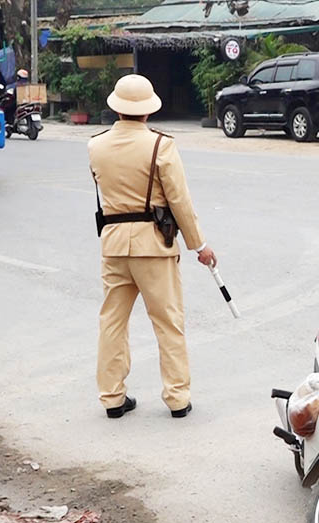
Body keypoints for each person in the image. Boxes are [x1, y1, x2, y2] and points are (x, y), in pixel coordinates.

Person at [88, 74, 216, 419]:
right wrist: (198, 245)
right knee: (167, 321)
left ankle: (112, 397)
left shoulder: (95, 145)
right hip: (154, 246)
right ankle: (177, 397)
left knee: (112, 322)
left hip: (114, 245)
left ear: (116, 107)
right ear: (147, 111)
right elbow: (179, 200)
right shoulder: (161, 145)